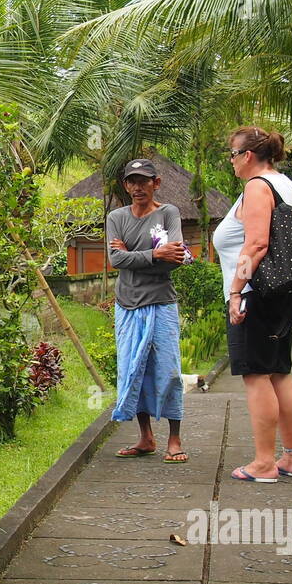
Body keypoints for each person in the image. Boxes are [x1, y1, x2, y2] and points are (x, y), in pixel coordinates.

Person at [212, 126, 292, 482]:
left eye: (232, 155)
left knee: (256, 375)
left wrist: (236, 291)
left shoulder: (256, 187)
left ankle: (264, 463)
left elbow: (257, 245)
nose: (231, 162)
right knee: (279, 371)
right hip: (289, 293)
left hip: (257, 295)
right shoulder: (284, 185)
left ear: (247, 156)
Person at [106, 158, 192, 460]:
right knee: (133, 369)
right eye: (131, 181)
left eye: (143, 181)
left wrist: (136, 255)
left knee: (168, 370)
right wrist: (156, 254)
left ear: (156, 183)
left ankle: (175, 439)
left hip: (161, 302)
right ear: (126, 185)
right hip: (126, 305)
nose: (137, 187)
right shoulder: (116, 217)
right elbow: (116, 260)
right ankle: (145, 438)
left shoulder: (168, 213)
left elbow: (176, 260)